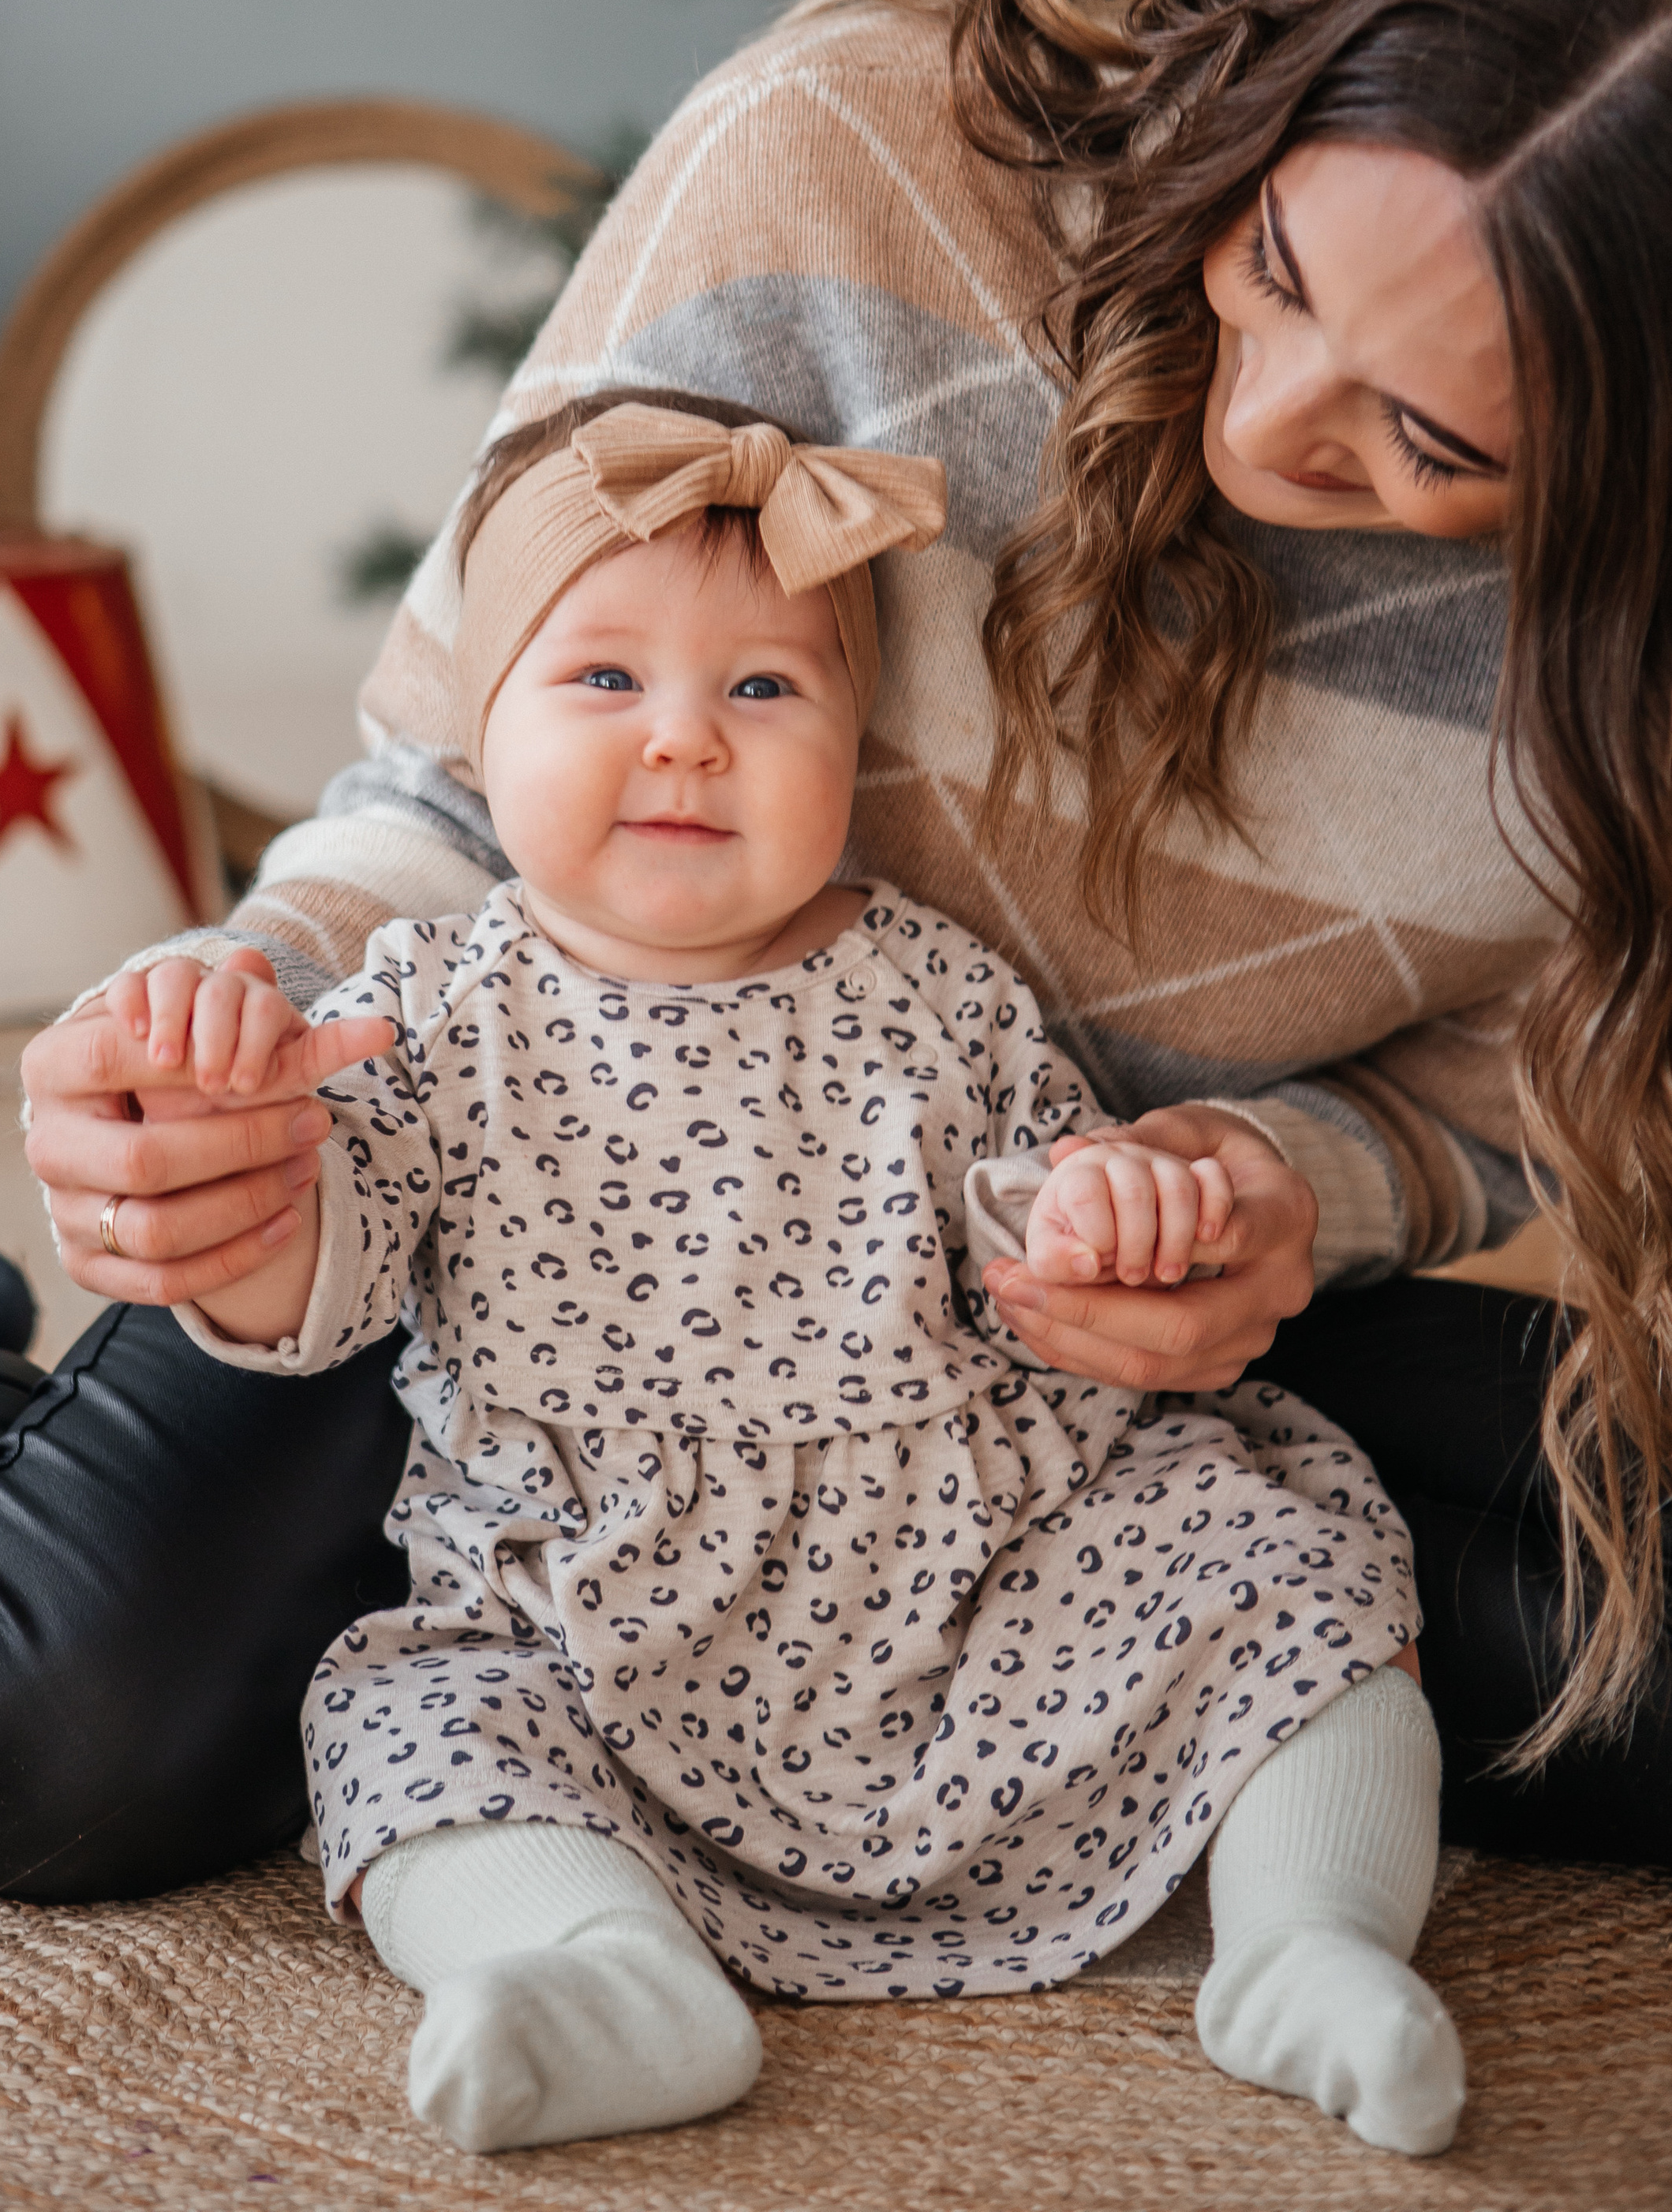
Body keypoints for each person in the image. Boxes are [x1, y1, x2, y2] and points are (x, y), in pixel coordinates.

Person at [0, 0, 1669, 1910]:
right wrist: (238, 1032)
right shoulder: (855, 159)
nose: (1267, 427)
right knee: (25, 1739)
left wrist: (1290, 1198)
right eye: (1271, 265)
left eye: (1437, 440)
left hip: (1090, 1330)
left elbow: (1511, 1085)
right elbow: (458, 780)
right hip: (537, 1212)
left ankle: (1046, 1647)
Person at [105, 391, 1457, 2158]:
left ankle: (1307, 1940)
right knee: (410, 1727)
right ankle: (595, 1965)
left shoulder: (934, 985)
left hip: (975, 1578)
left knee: (1285, 1572)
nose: (685, 744)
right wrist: (240, 1118)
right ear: (481, 729)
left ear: (853, 743)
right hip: (588, 1616)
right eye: (602, 683)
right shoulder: (426, 1007)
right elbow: (318, 1288)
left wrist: (1108, 1213)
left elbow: (1023, 1228)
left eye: (762, 690)